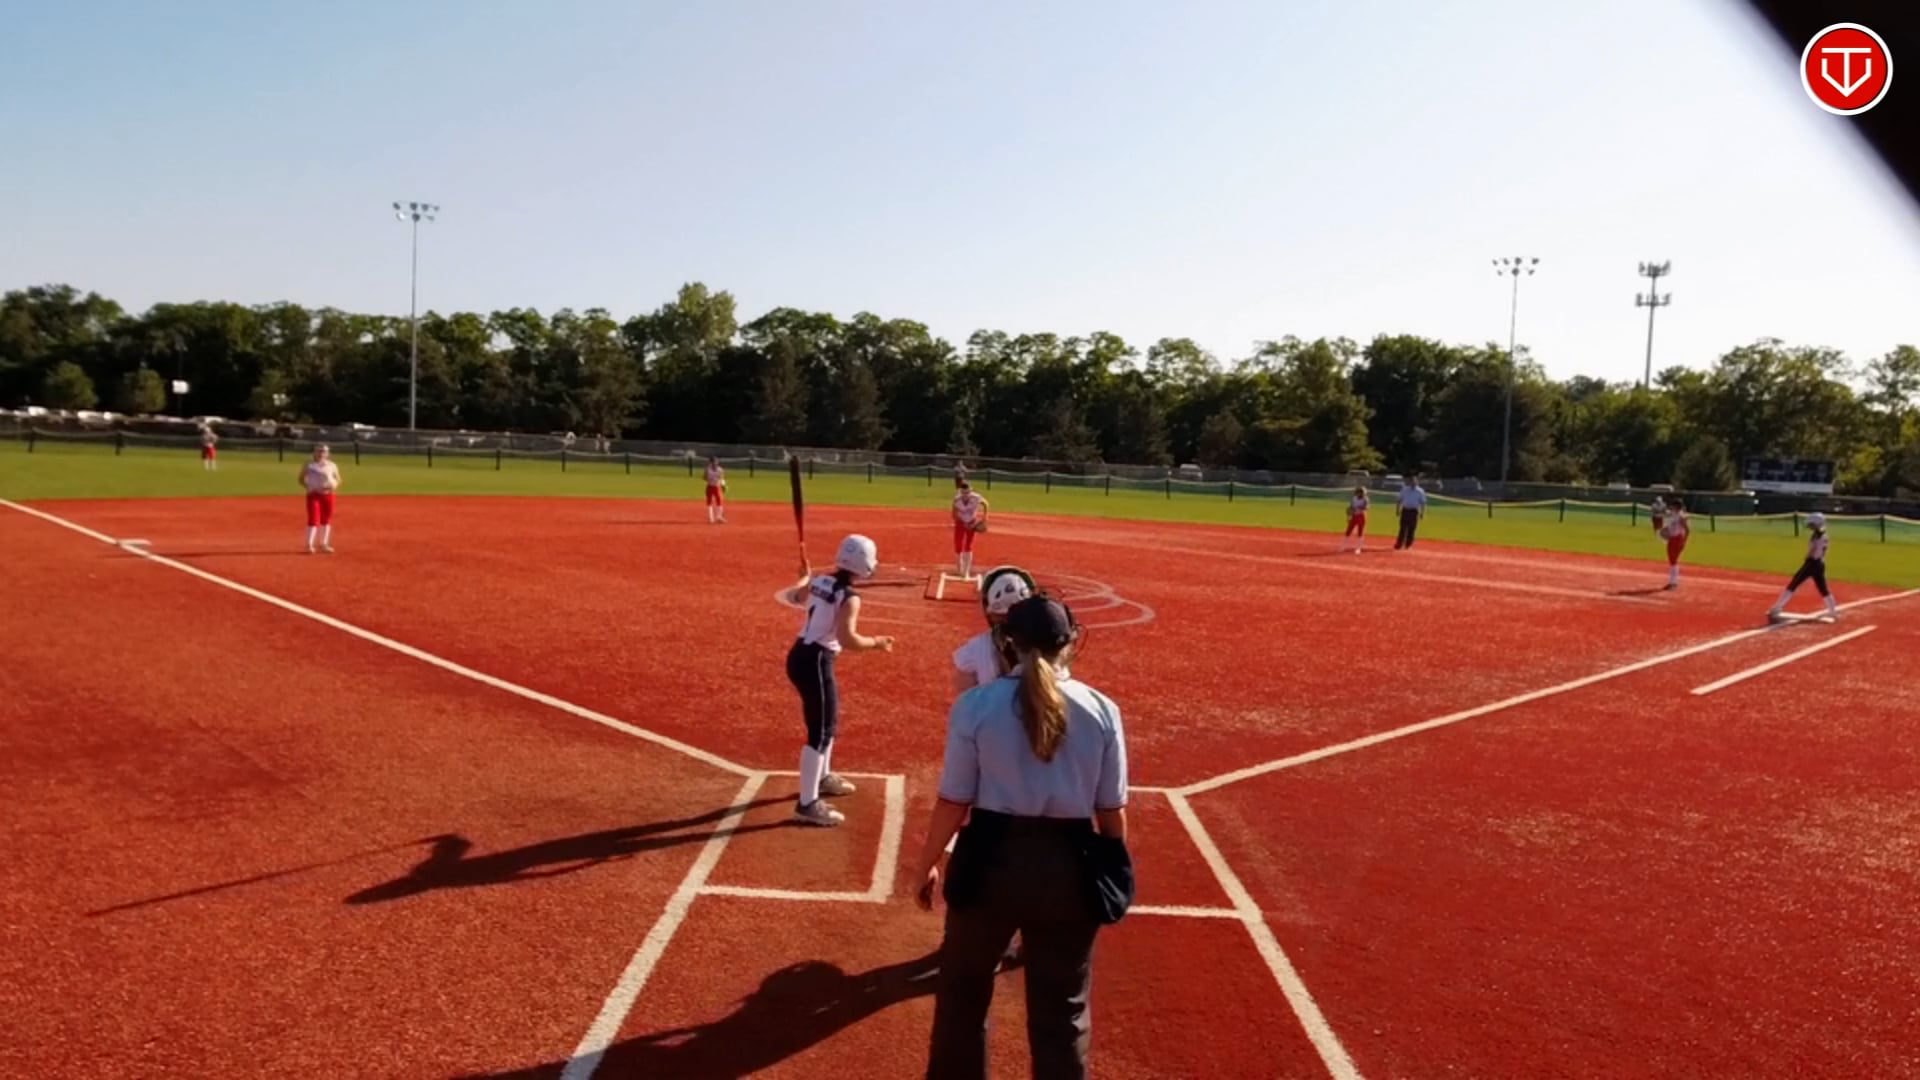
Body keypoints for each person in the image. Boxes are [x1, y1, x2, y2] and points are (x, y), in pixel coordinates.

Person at [914, 594, 1128, 1080]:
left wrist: (926, 863)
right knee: (1063, 1011)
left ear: (1007, 643)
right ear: (1070, 642)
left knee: (963, 997)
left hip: (989, 862)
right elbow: (1111, 811)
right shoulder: (1102, 710)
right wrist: (1114, 865)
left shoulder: (975, 705)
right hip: (1071, 865)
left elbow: (953, 801)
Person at [782, 534, 896, 827]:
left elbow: (797, 596)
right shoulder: (850, 597)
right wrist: (876, 643)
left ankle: (823, 777)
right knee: (820, 730)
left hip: (800, 655)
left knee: (828, 722)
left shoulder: (819, 580)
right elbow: (847, 639)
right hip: (816, 661)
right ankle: (807, 803)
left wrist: (804, 577)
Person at [1767, 512, 1840, 621]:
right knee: (1823, 588)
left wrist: (1808, 558)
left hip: (1812, 563)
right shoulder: (1823, 535)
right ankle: (1833, 612)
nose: (1809, 525)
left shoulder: (1818, 536)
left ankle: (1777, 607)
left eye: (1812, 524)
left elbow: (1813, 552)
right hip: (1819, 563)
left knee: (1794, 584)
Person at [298, 444, 342, 554]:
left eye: (324, 451)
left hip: (328, 495)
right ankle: (309, 545)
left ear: (328, 453)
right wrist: (308, 487)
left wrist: (334, 486)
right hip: (314, 495)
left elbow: (338, 479)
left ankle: (324, 544)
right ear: (314, 452)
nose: (321, 453)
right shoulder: (309, 465)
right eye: (319, 451)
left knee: (326, 519)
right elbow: (300, 478)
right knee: (313, 519)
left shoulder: (332, 465)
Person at [951, 481, 989, 581]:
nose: (966, 495)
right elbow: (954, 514)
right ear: (961, 492)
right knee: (958, 545)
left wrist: (985, 517)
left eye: (967, 492)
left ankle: (966, 571)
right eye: (964, 493)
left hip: (972, 522)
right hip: (960, 523)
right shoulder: (957, 499)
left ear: (970, 491)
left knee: (969, 545)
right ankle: (959, 568)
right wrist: (962, 523)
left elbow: (985, 503)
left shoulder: (976, 497)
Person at [1658, 497, 1690, 590]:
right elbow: (1669, 526)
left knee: (1674, 561)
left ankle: (1674, 583)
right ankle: (1672, 582)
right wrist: (1665, 531)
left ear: (1676, 506)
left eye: (1673, 505)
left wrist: (1684, 542)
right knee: (1672, 560)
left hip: (1677, 539)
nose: (1671, 507)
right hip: (1672, 539)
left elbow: (1687, 530)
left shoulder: (1681, 516)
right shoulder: (1674, 515)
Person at [1393, 475, 1427, 550]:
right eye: (1412, 481)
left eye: (1414, 481)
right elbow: (1399, 500)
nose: (1413, 483)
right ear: (1409, 482)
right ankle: (1399, 544)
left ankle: (1408, 545)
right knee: (1402, 528)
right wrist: (1397, 510)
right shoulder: (1404, 490)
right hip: (1405, 510)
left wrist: (1422, 513)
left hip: (1414, 511)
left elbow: (1423, 503)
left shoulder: (1420, 491)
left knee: (1412, 529)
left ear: (1417, 482)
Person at [1343, 485, 1369, 554]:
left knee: (1360, 532)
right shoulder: (1354, 498)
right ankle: (1343, 545)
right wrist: (1349, 515)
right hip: (1354, 516)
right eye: (1360, 492)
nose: (1362, 494)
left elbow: (1366, 507)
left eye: (1362, 493)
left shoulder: (1365, 499)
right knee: (1348, 530)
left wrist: (1359, 508)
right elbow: (1350, 507)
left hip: (1361, 516)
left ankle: (1358, 548)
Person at [704, 457, 727, 524]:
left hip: (717, 487)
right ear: (710, 462)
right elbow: (704, 477)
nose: (714, 463)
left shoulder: (720, 470)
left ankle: (719, 517)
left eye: (716, 461)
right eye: (713, 462)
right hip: (709, 486)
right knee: (709, 502)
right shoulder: (707, 469)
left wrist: (723, 485)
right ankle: (711, 518)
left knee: (719, 501)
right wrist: (708, 478)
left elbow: (722, 478)